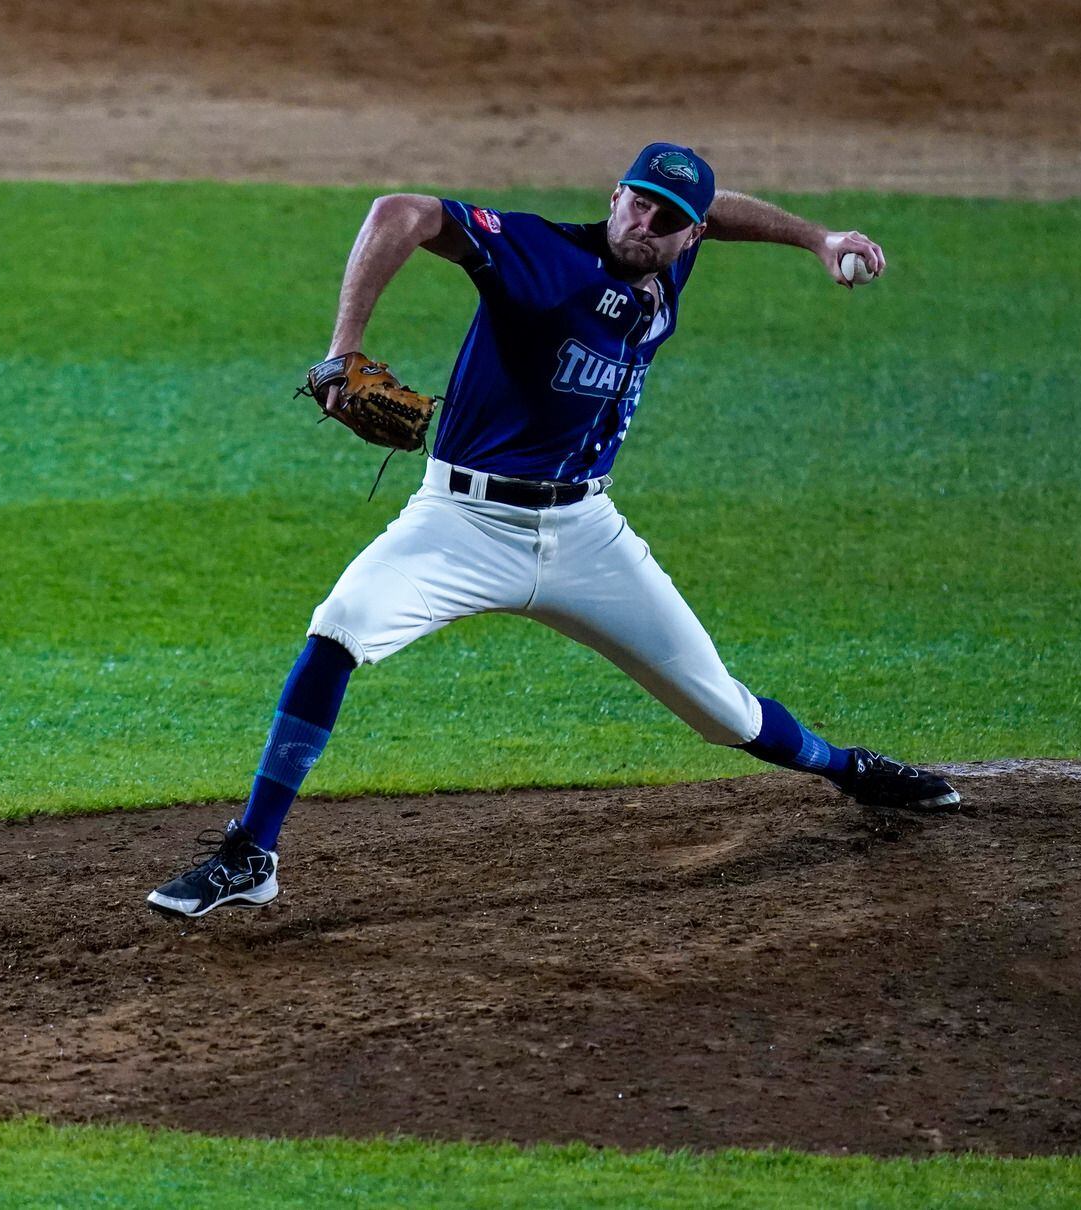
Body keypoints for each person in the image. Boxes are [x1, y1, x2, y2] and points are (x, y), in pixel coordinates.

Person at [146, 142, 960, 920]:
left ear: (691, 235)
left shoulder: (672, 254)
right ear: (615, 197)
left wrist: (818, 238)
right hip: (460, 521)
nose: (645, 223)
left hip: (587, 536)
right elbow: (400, 210)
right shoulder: (537, 253)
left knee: (727, 716)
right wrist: (341, 352)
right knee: (339, 629)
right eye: (637, 202)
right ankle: (251, 854)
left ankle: (847, 767)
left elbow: (726, 211)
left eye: (669, 216)